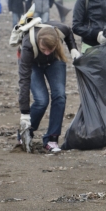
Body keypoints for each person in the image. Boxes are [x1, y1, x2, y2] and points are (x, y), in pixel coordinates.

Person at [18, 21, 80, 154]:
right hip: (33, 64)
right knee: (41, 101)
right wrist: (24, 112)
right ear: (39, 42)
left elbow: (69, 32)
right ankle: (25, 133)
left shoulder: (60, 30)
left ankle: (52, 139)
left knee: (60, 96)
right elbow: (24, 80)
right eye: (43, 49)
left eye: (49, 49)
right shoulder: (28, 44)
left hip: (55, 62)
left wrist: (73, 48)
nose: (46, 53)